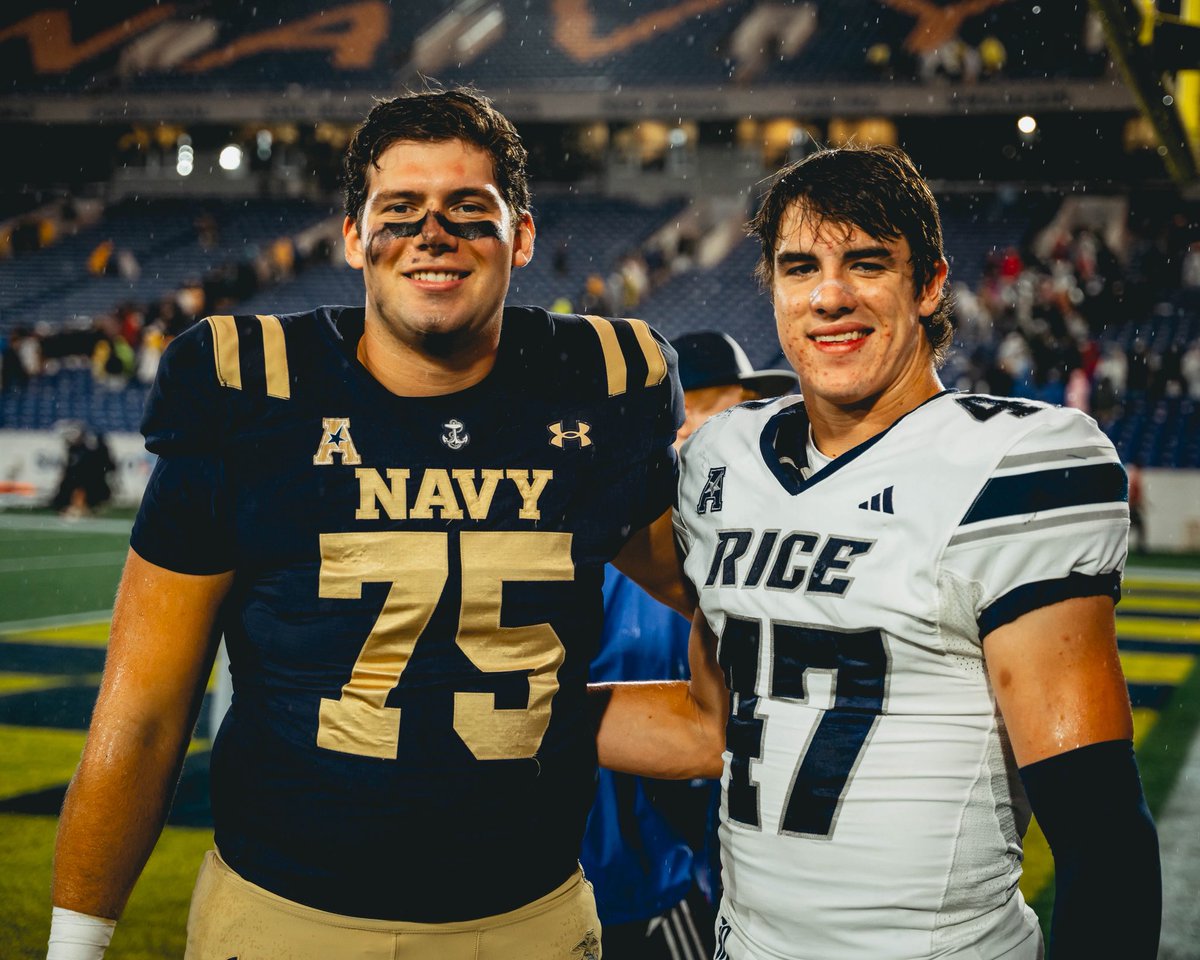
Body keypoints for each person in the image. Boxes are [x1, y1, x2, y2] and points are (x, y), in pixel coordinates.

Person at [49, 87, 687, 960]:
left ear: (522, 236)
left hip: (527, 921)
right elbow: (147, 715)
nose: (434, 234)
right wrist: (75, 947)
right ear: (353, 237)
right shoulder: (254, 393)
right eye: (401, 211)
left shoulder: (597, 390)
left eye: (470, 209)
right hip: (284, 919)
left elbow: (730, 599)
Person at [595, 145, 1160, 959]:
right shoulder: (724, 457)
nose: (829, 296)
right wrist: (504, 707)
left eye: (866, 264)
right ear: (773, 288)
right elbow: (715, 722)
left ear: (930, 285)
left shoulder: (1011, 464)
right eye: (799, 268)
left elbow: (1100, 834)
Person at [581, 332, 796, 960]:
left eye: (729, 412)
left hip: (696, 863)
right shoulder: (609, 549)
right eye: (692, 412)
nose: (705, 431)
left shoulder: (754, 549)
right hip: (631, 878)